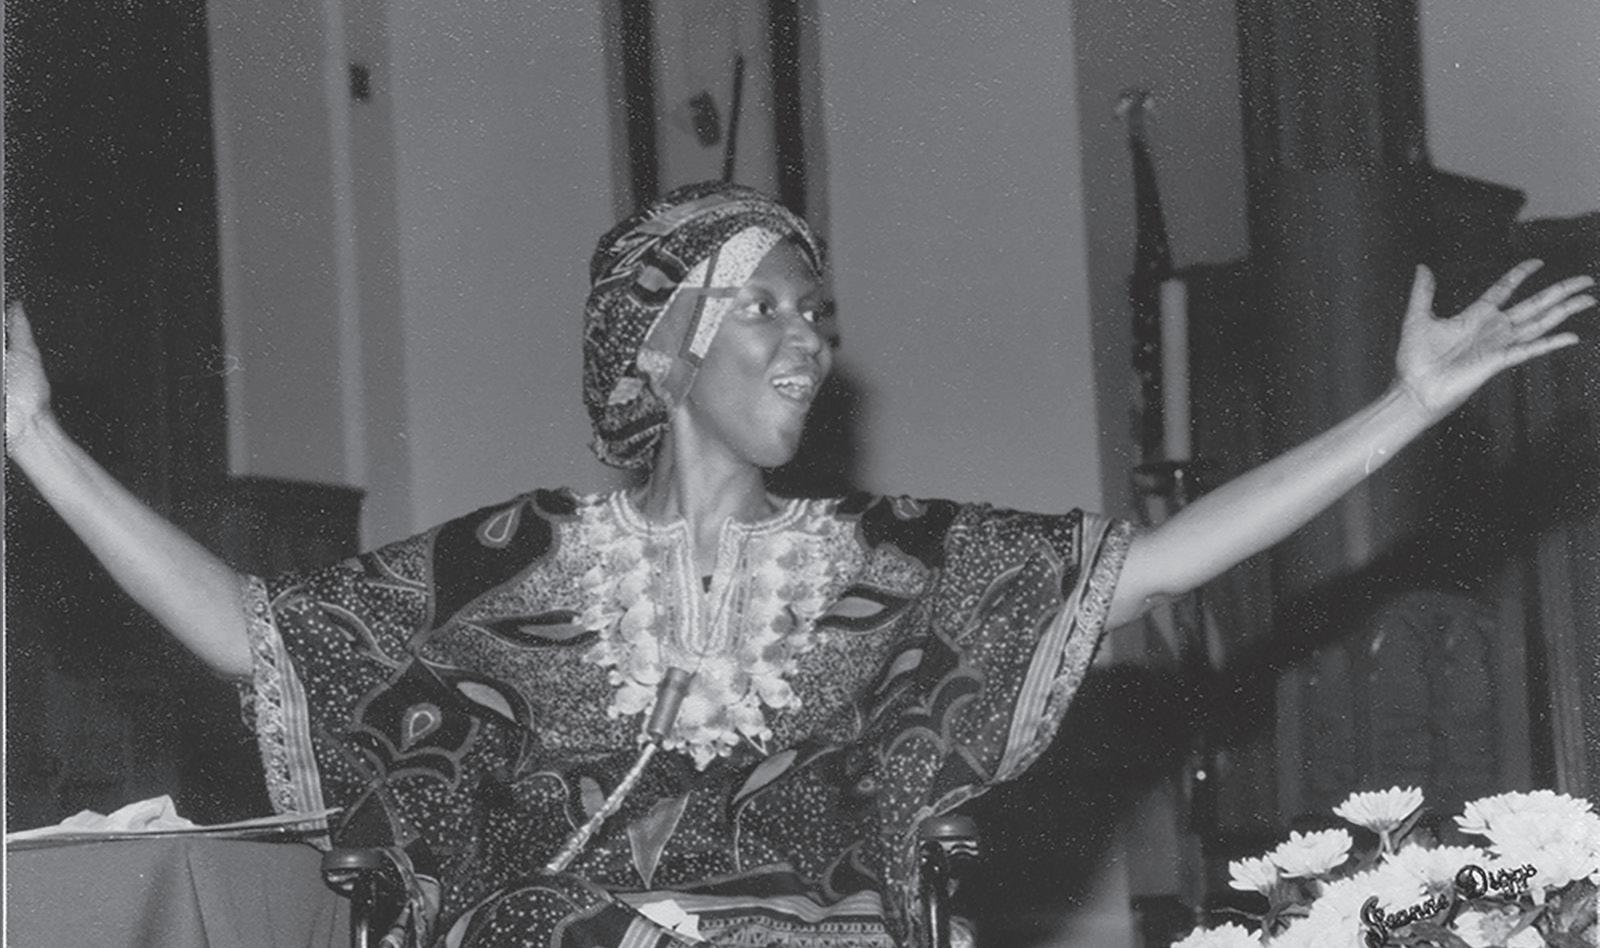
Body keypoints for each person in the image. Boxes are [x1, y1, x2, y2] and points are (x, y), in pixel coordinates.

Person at [4, 180, 1592, 948]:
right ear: (662, 345)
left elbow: (1158, 571)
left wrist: (1407, 409)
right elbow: (253, 633)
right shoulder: (514, 563)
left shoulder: (887, 564)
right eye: (763, 305)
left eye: (816, 314)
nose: (807, 339)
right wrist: (38, 441)